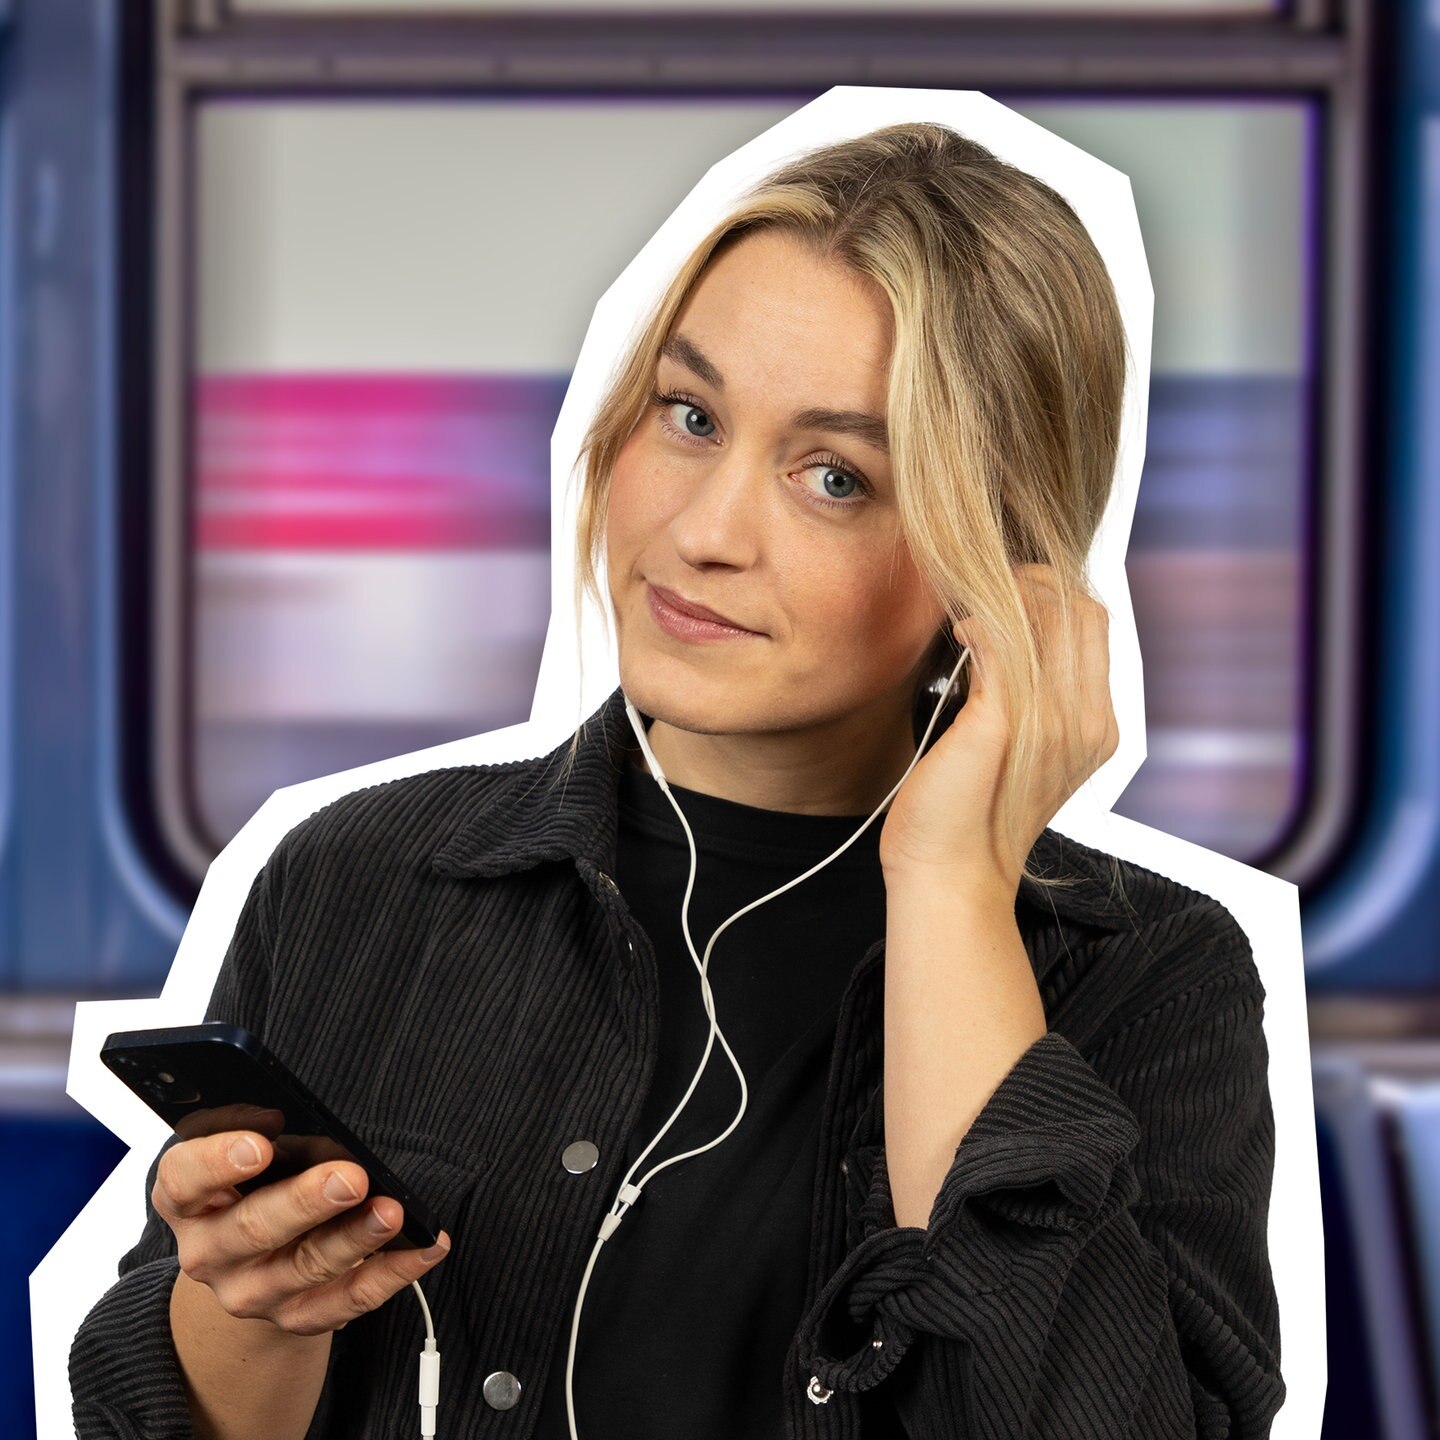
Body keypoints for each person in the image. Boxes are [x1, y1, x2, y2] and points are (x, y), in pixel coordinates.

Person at [69, 120, 1287, 1439]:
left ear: (994, 565)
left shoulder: (1150, 977)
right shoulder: (358, 876)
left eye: (836, 477)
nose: (703, 532)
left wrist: (950, 880)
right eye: (691, 416)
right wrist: (249, 1308)